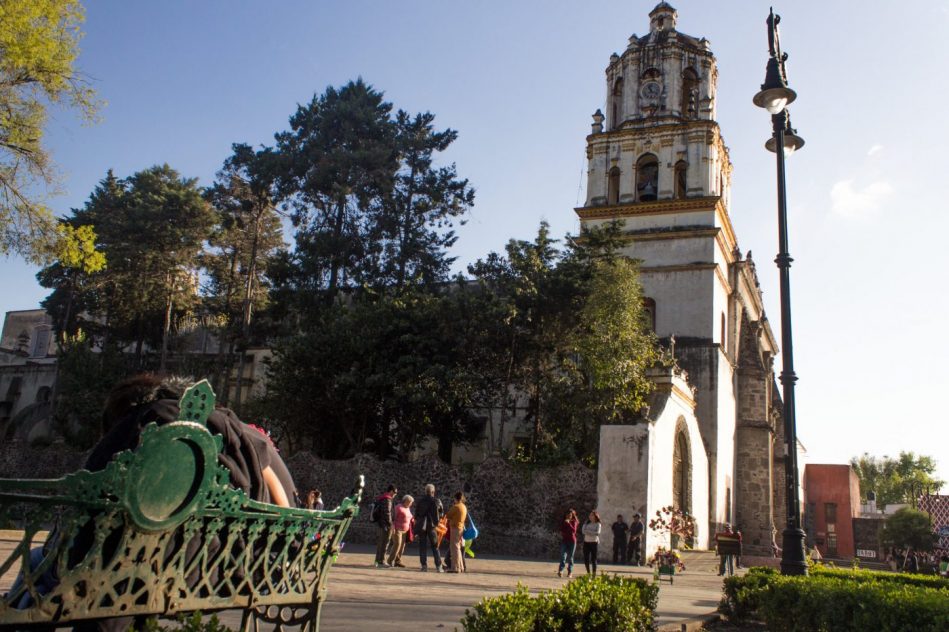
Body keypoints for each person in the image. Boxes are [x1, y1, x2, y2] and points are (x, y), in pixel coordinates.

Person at [413, 484, 444, 572]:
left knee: (422, 545)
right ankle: (438, 566)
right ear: (433, 492)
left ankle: (424, 566)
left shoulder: (420, 501)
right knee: (435, 546)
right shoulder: (437, 501)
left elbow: (416, 514)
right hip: (432, 526)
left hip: (422, 525)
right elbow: (441, 513)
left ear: (425, 491)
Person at [372, 484, 398, 568]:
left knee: (380, 543)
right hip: (386, 525)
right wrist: (391, 525)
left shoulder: (381, 498)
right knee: (385, 543)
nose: (395, 494)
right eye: (395, 492)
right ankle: (381, 561)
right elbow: (388, 513)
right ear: (391, 491)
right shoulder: (388, 500)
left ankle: (377, 560)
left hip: (380, 524)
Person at [386, 494, 414, 568]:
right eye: (410, 502)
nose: (411, 504)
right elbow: (393, 518)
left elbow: (410, 517)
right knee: (397, 544)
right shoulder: (398, 507)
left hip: (405, 530)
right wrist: (393, 528)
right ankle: (390, 561)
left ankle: (397, 561)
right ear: (406, 501)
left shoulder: (408, 508)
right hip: (397, 529)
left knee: (402, 546)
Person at [445, 492, 468, 573]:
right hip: (461, 527)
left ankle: (455, 567)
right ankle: (460, 567)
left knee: (454, 548)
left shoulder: (456, 506)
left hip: (455, 528)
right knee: (458, 548)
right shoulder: (464, 507)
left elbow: (448, 515)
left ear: (455, 498)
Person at [557, 509, 579, 578]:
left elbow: (573, 531)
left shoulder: (574, 522)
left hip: (572, 541)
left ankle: (570, 572)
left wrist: (568, 523)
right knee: (563, 555)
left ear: (572, 516)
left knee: (570, 557)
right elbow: (562, 530)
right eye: (567, 515)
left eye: (570, 515)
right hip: (565, 540)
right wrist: (565, 524)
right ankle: (561, 570)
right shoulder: (563, 521)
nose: (568, 516)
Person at [581, 511, 602, 576]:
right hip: (586, 542)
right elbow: (583, 531)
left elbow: (597, 533)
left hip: (594, 542)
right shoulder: (586, 523)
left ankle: (594, 573)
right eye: (590, 515)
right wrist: (591, 532)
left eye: (592, 515)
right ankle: (588, 572)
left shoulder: (598, 524)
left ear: (595, 516)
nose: (590, 516)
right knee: (586, 558)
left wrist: (588, 532)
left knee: (593, 559)